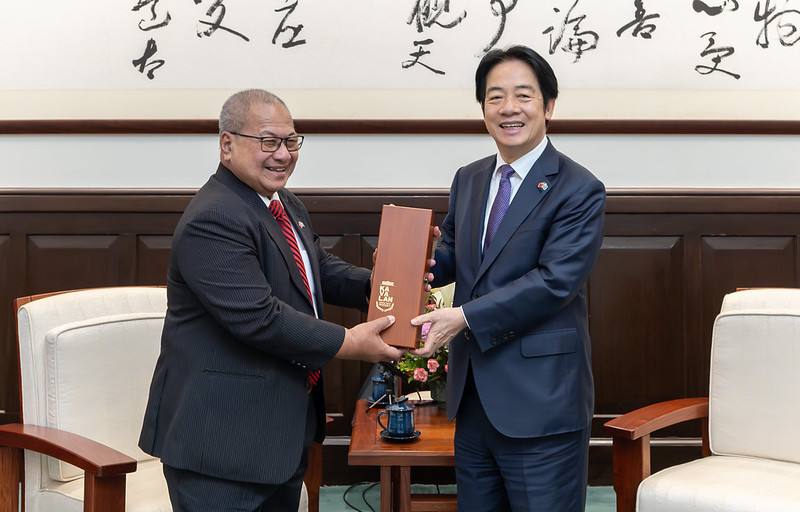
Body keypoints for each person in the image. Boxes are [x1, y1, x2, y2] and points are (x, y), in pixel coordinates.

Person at [139, 89, 406, 511]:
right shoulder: (213, 217)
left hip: (277, 432)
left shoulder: (283, 203)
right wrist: (349, 342)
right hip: (221, 442)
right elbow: (259, 318)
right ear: (227, 144)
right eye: (268, 142)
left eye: (291, 141)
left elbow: (320, 271)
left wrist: (389, 285)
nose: (283, 154)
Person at [411, 46, 606, 511]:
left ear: (548, 106)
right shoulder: (470, 178)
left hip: (541, 404)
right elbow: (455, 256)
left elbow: (555, 281)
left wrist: (465, 318)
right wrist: (413, 263)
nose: (509, 108)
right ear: (483, 108)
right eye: (495, 97)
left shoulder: (578, 188)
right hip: (474, 397)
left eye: (523, 95)